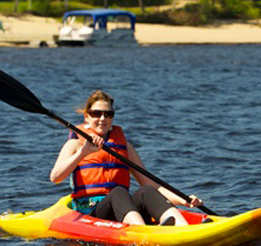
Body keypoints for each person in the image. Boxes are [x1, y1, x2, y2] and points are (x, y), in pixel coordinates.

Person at [50, 90, 202, 226]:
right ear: (87, 116)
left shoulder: (125, 146)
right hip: (91, 214)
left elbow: (153, 185)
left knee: (146, 191)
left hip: (121, 208)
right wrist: (83, 153)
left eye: (108, 114)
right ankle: (143, 233)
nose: (103, 118)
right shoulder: (75, 144)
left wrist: (184, 200)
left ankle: (182, 227)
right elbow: (55, 177)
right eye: (96, 114)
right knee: (118, 192)